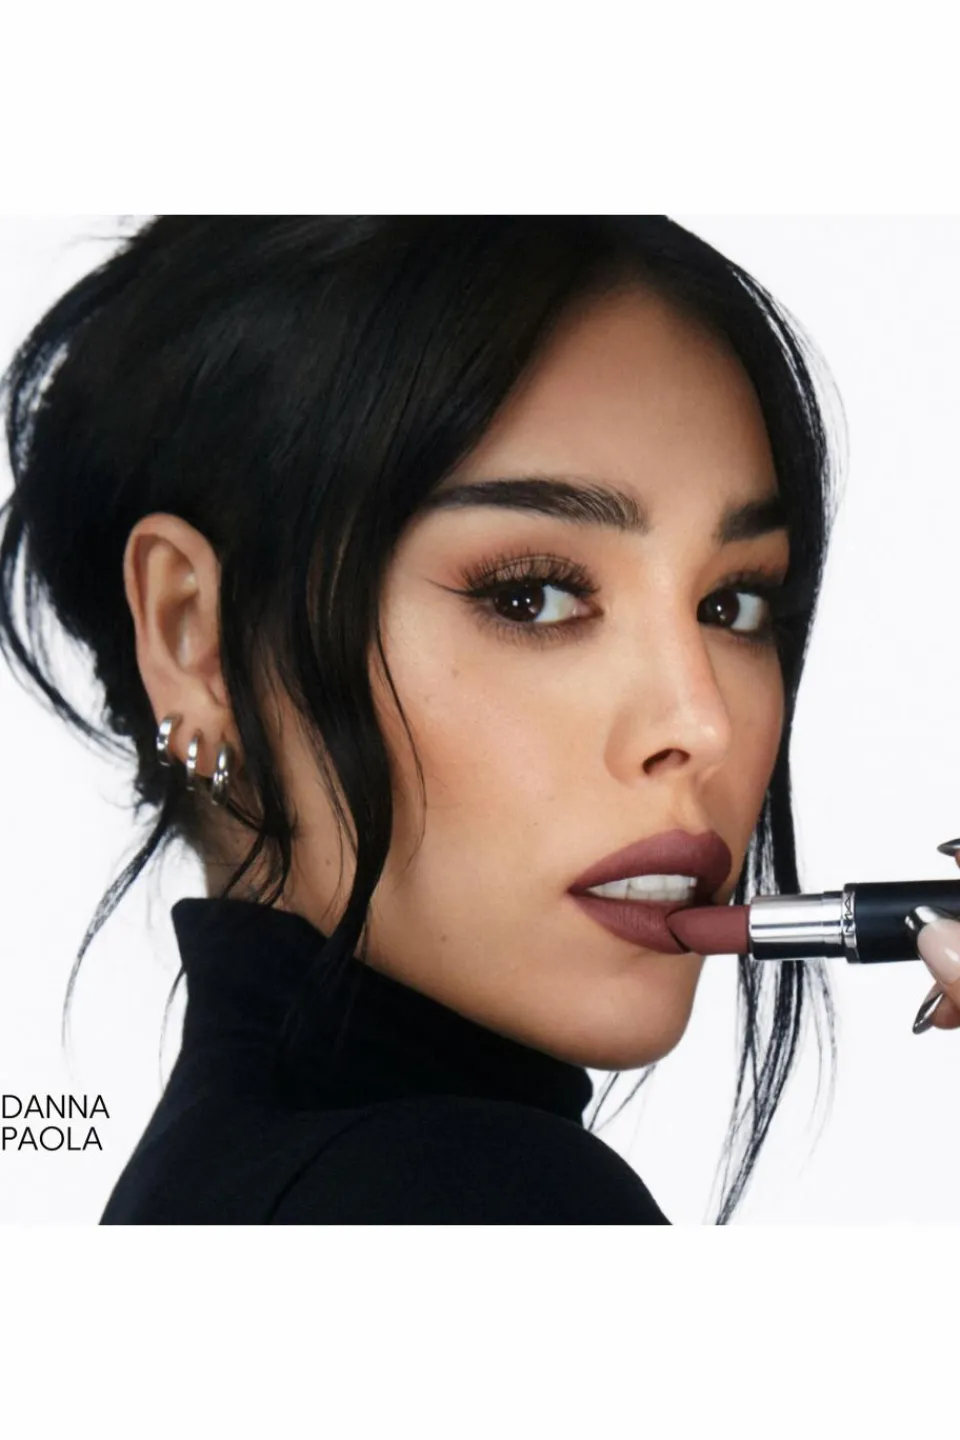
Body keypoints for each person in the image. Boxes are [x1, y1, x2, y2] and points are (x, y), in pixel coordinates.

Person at [0, 216, 840, 1223]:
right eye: (532, 595)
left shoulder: (220, 1185)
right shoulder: (481, 1192)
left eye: (734, 604)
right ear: (195, 640)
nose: (702, 724)